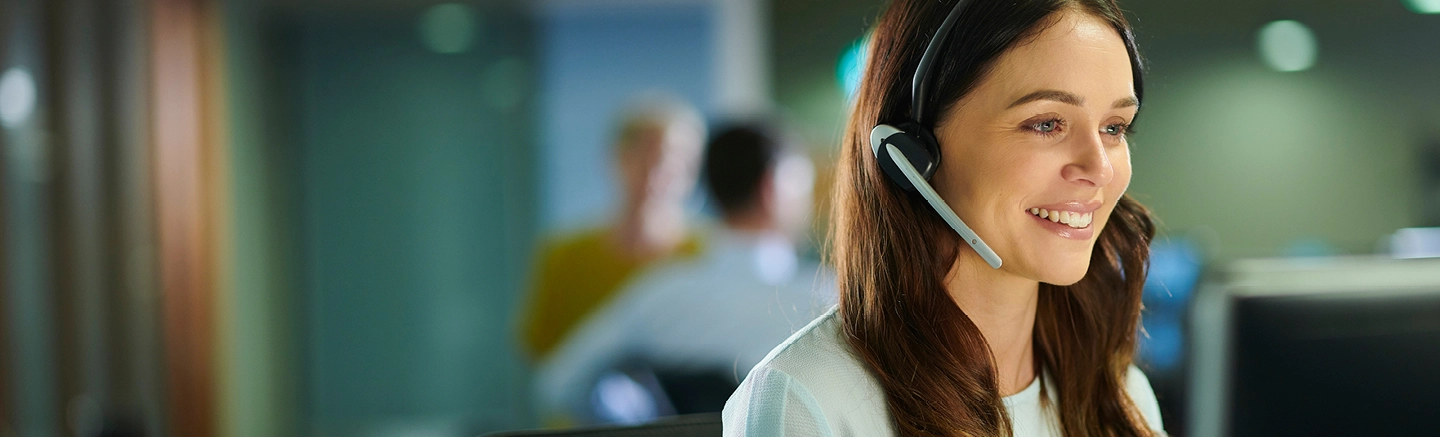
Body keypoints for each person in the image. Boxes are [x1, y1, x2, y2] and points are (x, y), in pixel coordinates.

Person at [723, 0, 1165, 436]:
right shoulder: (809, 400)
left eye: (1114, 127)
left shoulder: (1121, 397)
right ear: (913, 152)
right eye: (1046, 124)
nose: (1100, 169)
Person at [535, 122, 835, 424]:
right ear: (771, 187)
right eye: (801, 184)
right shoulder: (829, 303)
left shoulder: (657, 293)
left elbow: (558, 383)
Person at [517, 96, 708, 362]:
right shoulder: (564, 256)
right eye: (644, 153)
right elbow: (542, 352)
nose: (658, 169)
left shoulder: (710, 255)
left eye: (674, 158)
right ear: (616, 158)